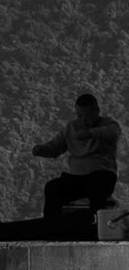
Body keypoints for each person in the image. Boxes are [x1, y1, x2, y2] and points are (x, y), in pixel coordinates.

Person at [33, 90, 120, 231]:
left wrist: (90, 133)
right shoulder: (71, 128)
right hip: (77, 178)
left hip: (101, 174)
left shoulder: (108, 124)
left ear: (97, 111)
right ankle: (50, 226)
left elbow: (112, 132)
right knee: (52, 187)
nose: (83, 120)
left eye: (87, 116)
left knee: (96, 185)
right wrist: (42, 150)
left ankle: (95, 224)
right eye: (80, 116)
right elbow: (56, 146)